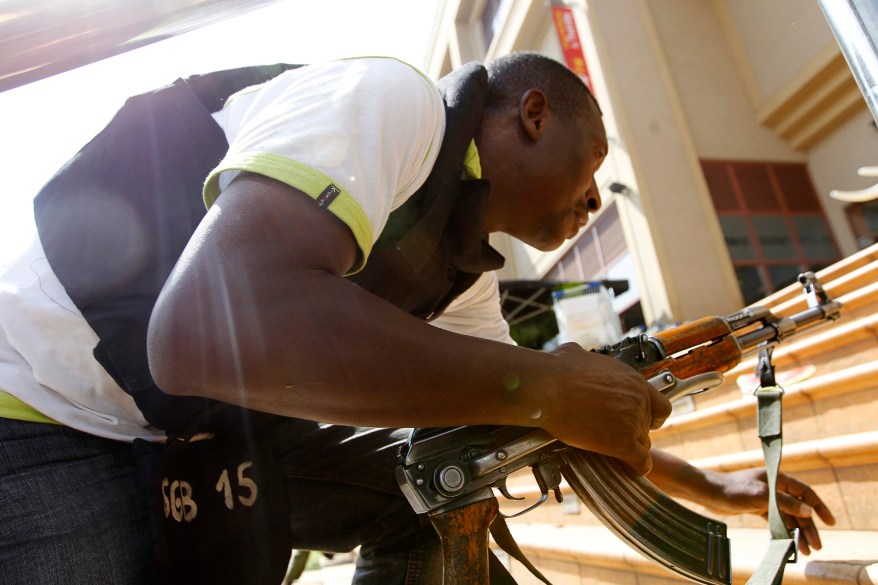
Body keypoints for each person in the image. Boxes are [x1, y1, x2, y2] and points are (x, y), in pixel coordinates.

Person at [0, 52, 834, 585]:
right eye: (593, 164)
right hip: (40, 411)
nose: (592, 197)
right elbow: (195, 333)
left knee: (443, 481)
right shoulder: (389, 99)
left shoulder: (459, 280)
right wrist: (543, 384)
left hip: (187, 436)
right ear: (533, 114)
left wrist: (718, 487)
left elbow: (550, 421)